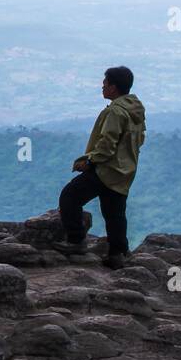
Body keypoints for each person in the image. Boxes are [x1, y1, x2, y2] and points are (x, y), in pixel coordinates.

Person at [55, 66, 146, 269]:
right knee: (114, 213)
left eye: (105, 83)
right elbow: (138, 140)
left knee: (70, 196)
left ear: (113, 87)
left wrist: (90, 161)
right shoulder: (136, 109)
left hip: (105, 168)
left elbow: (107, 143)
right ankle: (117, 253)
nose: (102, 87)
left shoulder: (115, 111)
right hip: (124, 170)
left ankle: (76, 241)